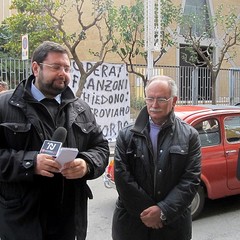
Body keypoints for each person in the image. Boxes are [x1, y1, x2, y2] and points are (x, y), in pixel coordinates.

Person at [0, 41, 109, 240]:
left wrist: (86, 164)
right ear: (35, 68)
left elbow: (101, 147)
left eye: (67, 68)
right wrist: (31, 163)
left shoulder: (81, 108)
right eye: (56, 67)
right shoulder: (5, 106)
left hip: (68, 224)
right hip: (22, 224)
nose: (63, 73)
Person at [112, 75, 201, 240]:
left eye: (161, 99)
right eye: (150, 98)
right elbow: (122, 178)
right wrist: (149, 212)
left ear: (174, 101)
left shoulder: (190, 136)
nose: (154, 105)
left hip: (172, 226)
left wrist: (163, 211)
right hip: (132, 225)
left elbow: (191, 179)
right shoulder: (126, 134)